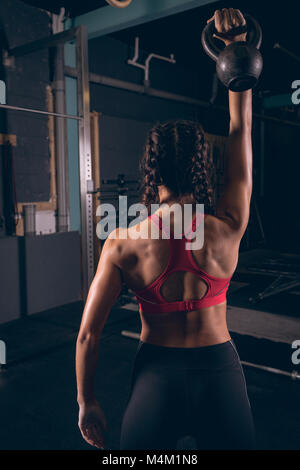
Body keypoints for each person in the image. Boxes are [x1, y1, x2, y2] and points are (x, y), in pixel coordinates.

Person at [76, 8, 256, 450]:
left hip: (157, 378)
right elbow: (240, 128)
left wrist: (87, 401)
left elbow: (87, 335)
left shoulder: (121, 243)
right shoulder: (229, 225)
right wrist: (236, 53)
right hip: (220, 375)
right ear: (201, 168)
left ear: (150, 170)